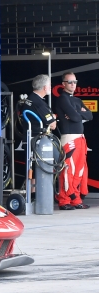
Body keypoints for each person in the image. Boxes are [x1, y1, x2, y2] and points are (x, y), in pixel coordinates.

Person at [54, 72, 92, 210]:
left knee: (79, 171)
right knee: (68, 170)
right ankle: (64, 200)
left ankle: (75, 199)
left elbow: (90, 115)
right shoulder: (62, 99)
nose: (73, 84)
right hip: (69, 138)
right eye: (70, 82)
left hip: (80, 138)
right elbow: (76, 118)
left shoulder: (77, 100)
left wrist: (76, 113)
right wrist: (78, 114)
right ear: (63, 84)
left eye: (75, 82)